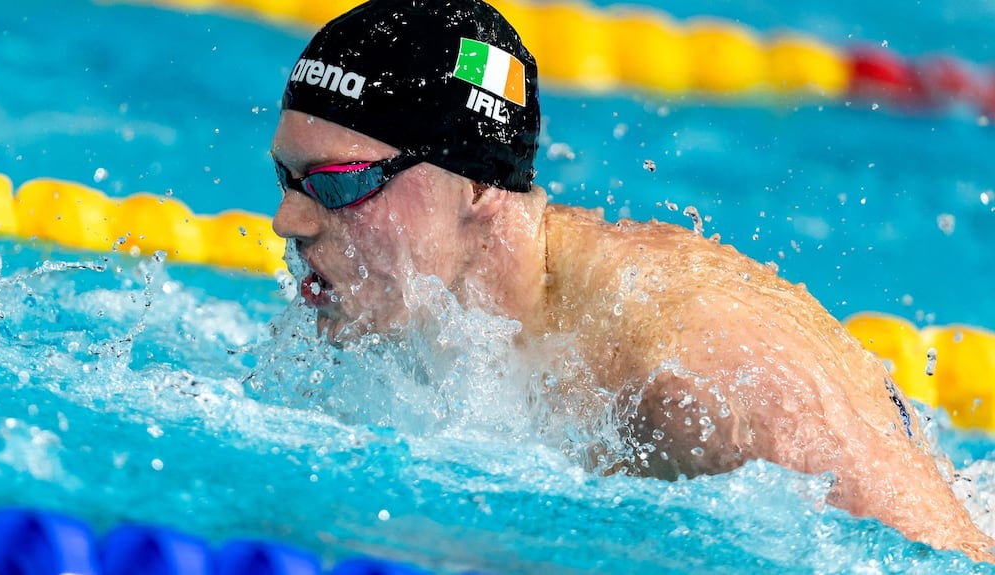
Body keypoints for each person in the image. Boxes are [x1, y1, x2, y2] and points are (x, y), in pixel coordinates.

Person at [269, 0, 995, 562]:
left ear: (479, 186)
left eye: (338, 183)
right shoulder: (420, 316)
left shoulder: (691, 374)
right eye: (286, 177)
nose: (287, 221)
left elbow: (943, 559)